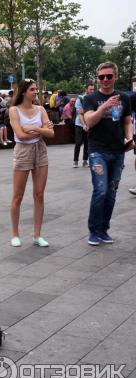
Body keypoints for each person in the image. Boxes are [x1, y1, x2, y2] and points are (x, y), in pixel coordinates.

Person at [83, 61, 133, 246]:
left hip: (118, 151)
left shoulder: (124, 97)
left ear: (115, 77)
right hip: (97, 151)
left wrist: (129, 138)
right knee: (101, 190)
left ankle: (104, 229)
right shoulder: (90, 98)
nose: (105, 80)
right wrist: (104, 107)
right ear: (97, 78)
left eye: (109, 76)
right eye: (101, 77)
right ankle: (93, 230)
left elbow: (127, 122)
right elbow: (89, 121)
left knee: (111, 193)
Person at [8, 79, 55, 248]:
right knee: (18, 196)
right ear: (23, 92)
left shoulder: (41, 109)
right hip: (23, 151)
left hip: (40, 151)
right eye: (32, 89)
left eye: (36, 89)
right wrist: (41, 131)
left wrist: (33, 129)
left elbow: (51, 133)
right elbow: (20, 135)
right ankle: (15, 234)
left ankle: (37, 235)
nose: (35, 92)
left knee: (39, 194)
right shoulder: (14, 110)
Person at [73, 84, 95, 168]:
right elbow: (80, 113)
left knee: (87, 143)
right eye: (90, 89)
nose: (92, 91)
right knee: (78, 142)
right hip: (79, 124)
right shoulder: (80, 99)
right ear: (86, 89)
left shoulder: (93, 99)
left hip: (89, 123)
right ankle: (75, 161)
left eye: (93, 89)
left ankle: (85, 161)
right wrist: (83, 125)